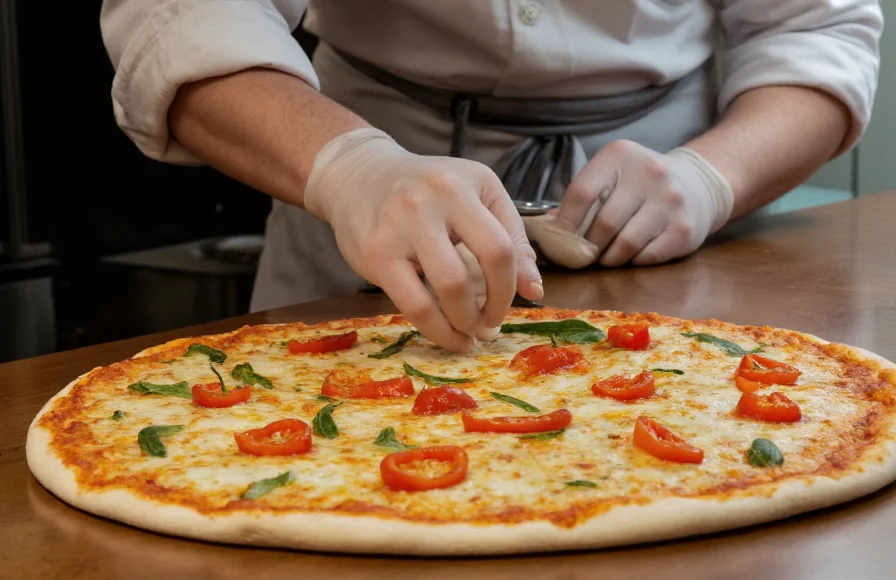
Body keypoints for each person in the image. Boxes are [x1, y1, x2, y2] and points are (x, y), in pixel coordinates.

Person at [99, 1, 883, 352]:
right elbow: (179, 18)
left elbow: (816, 30)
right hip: (359, 179)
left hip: (675, 216)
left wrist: (715, 176)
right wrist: (351, 168)